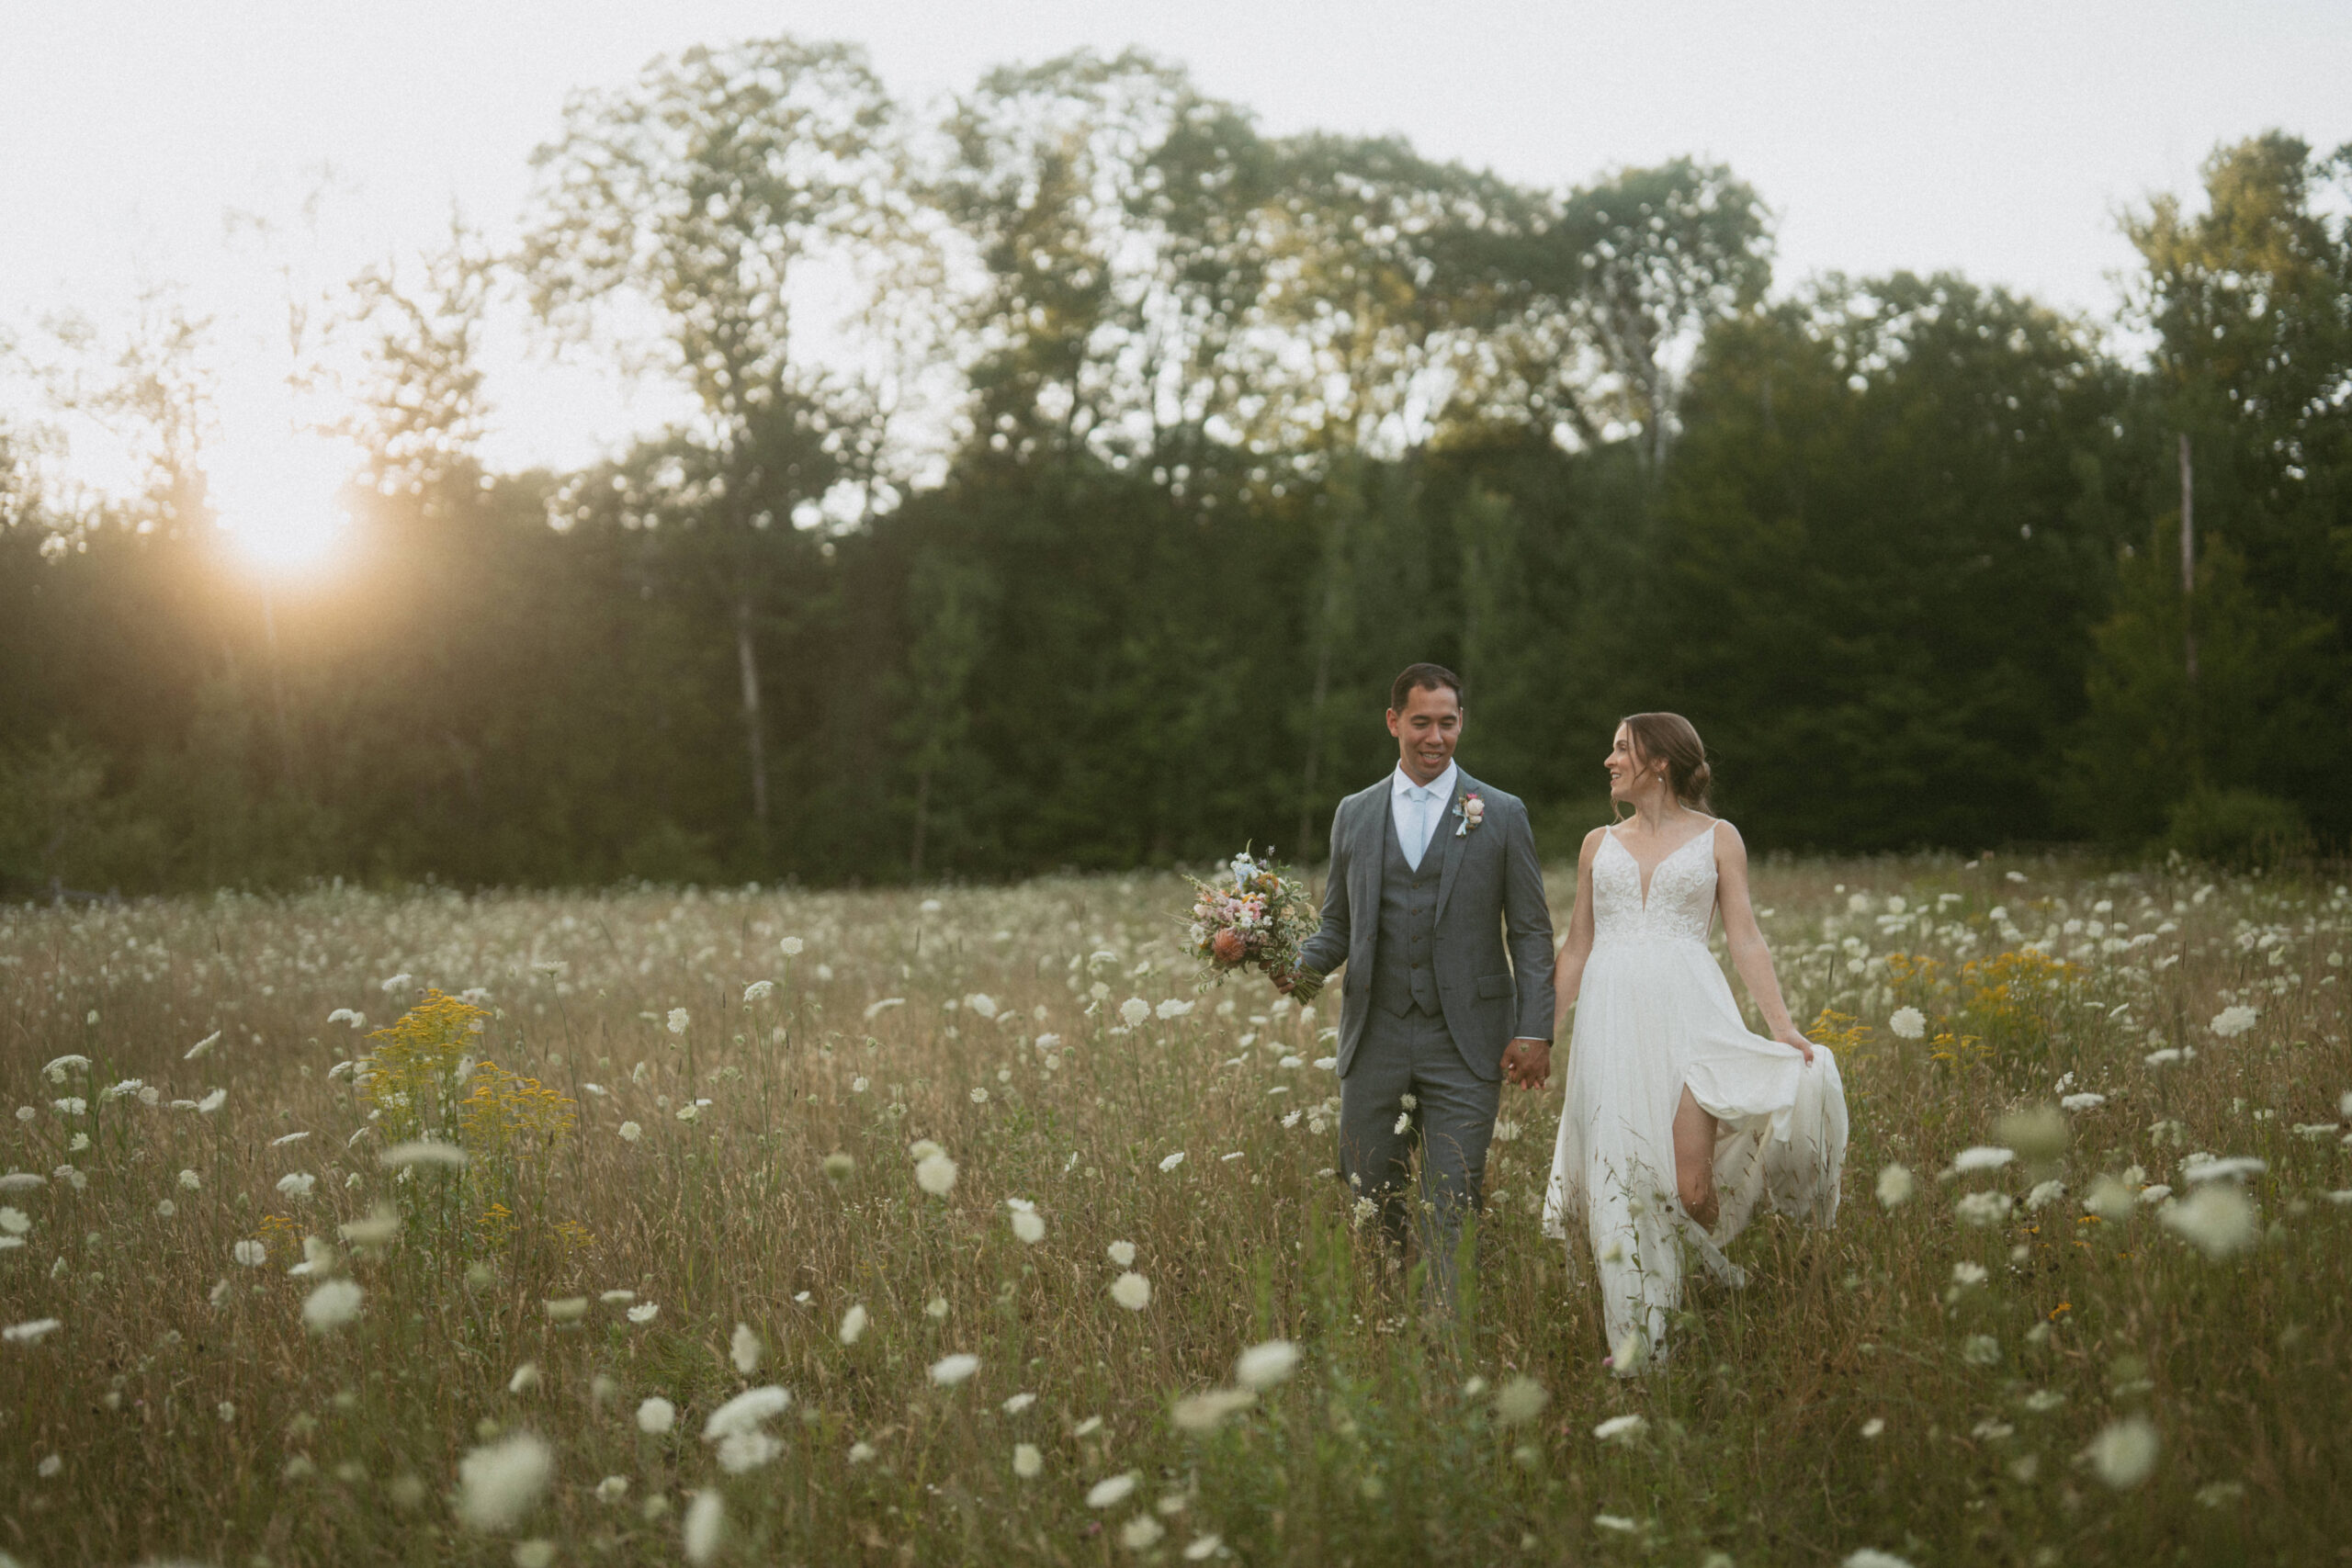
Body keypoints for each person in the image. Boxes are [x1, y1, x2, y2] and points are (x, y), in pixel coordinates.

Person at [1532, 712, 1848, 1372]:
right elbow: (1577, 947)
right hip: (1610, 1023)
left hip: (1690, 1017)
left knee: (1691, 1187)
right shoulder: (1597, 843)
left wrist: (1781, 1025)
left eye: (1621, 749)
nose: (1609, 759)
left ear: (1659, 762)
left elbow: (1745, 937)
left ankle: (1694, 1279)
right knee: (1622, 1183)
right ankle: (1641, 1345)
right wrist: (1540, 1033)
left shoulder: (1718, 837)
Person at [1279, 663, 1555, 1311]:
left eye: (1449, 722)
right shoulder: (1354, 813)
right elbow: (1335, 926)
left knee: (1452, 1199)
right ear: (1393, 721)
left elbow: (1533, 934)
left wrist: (1536, 1028)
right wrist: (1282, 962)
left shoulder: (1504, 814)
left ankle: (1446, 1359)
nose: (1436, 736)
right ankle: (1389, 1340)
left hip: (1468, 1041)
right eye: (1422, 721)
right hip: (1373, 1037)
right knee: (1371, 1202)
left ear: (1462, 723)